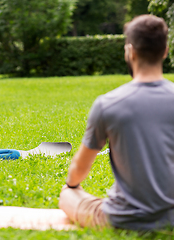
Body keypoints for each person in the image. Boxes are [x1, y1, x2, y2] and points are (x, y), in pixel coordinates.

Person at [59, 14, 174, 230]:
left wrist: (72, 186)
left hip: (123, 219)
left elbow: (78, 170)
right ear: (165, 51)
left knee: (67, 195)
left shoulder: (108, 104)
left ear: (130, 51)